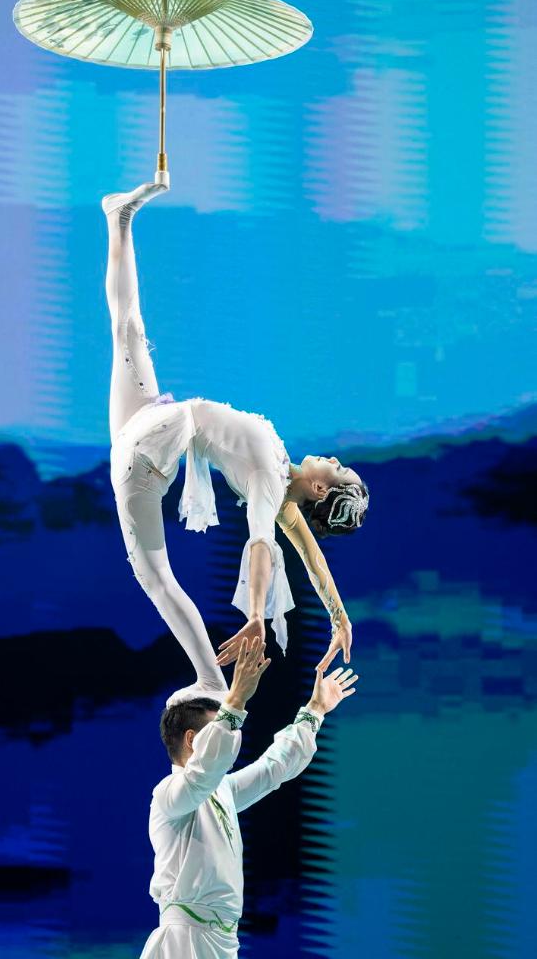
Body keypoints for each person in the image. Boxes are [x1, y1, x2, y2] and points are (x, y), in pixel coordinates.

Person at [103, 181, 369, 704]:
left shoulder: (271, 486)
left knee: (156, 577)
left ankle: (209, 678)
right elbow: (312, 558)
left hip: (151, 444)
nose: (336, 459)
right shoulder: (283, 477)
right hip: (154, 429)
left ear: (320, 490)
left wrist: (255, 615)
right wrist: (339, 617)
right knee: (126, 327)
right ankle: (120, 218)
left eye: (339, 471)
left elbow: (263, 545)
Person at [140, 637, 358, 958]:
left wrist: (315, 710)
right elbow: (203, 773)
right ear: (192, 739)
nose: (231, 732)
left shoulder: (222, 791)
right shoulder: (168, 795)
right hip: (184, 940)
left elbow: (273, 768)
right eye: (219, 726)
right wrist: (236, 699)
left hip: (224, 940)